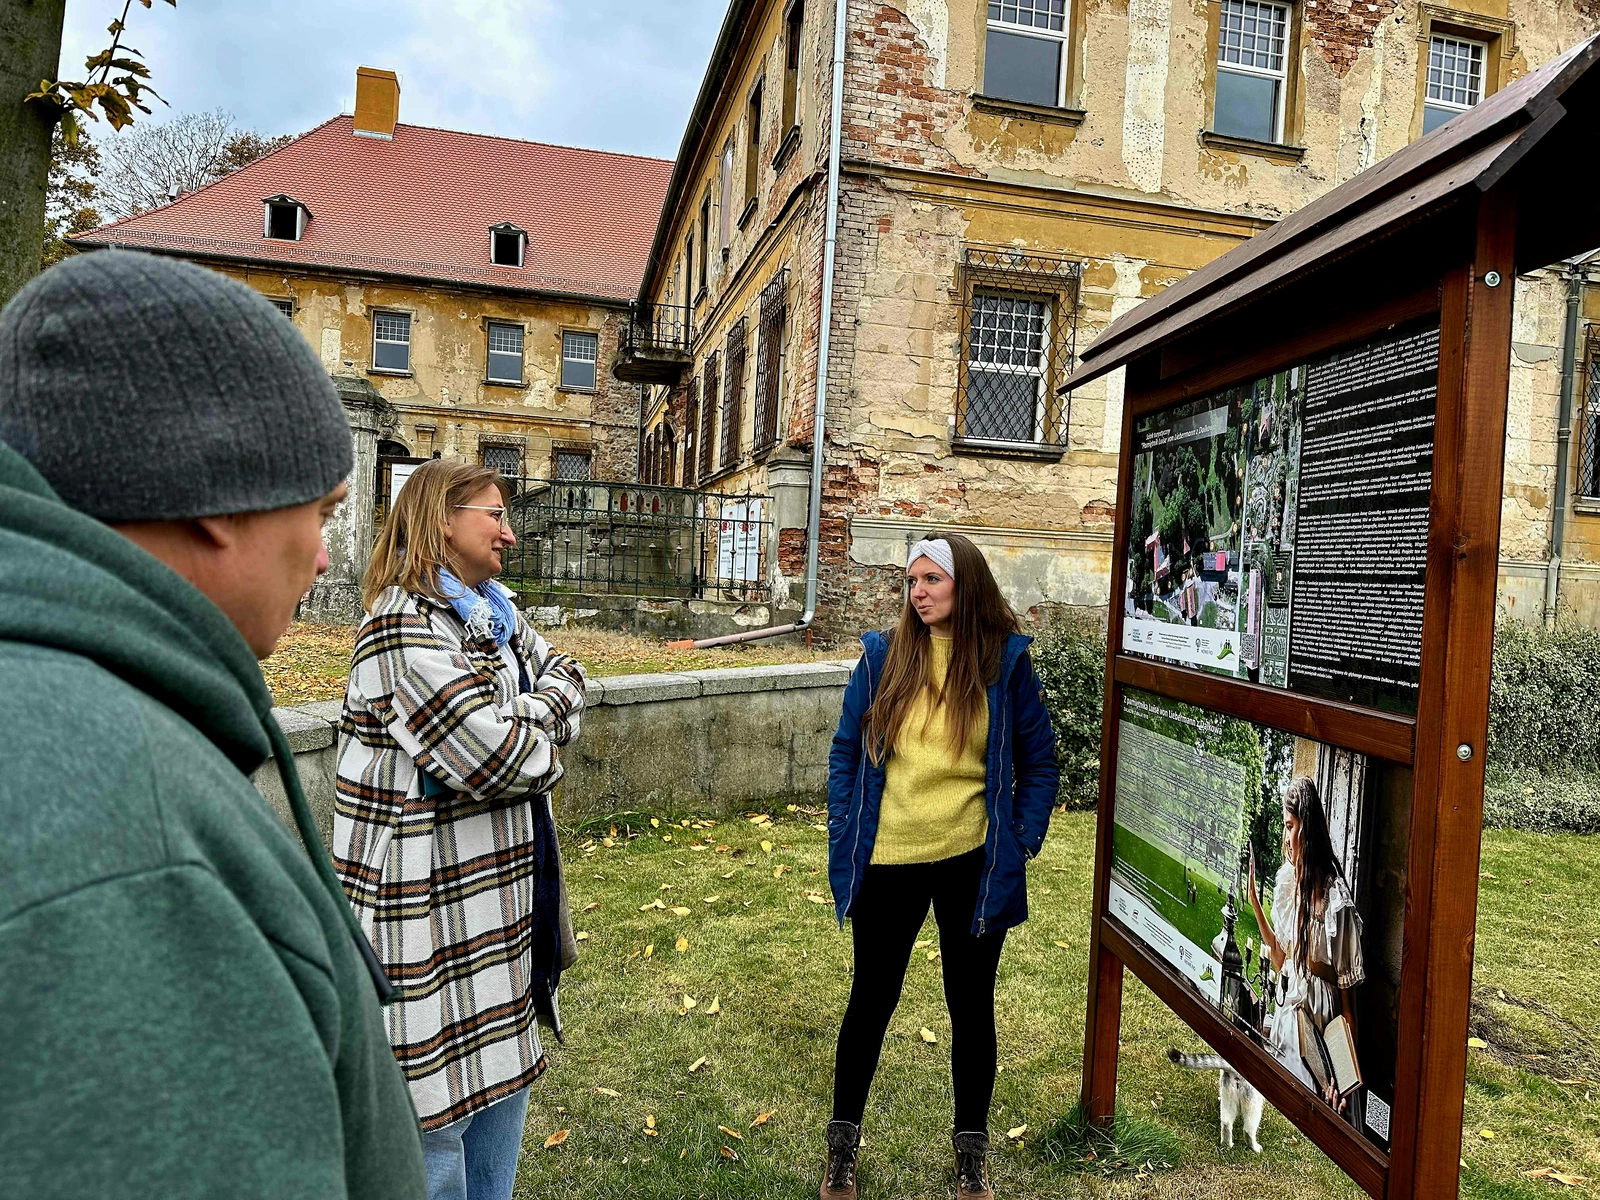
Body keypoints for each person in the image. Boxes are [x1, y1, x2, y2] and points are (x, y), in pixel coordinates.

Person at [0, 250, 426, 1197]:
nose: (324, 556)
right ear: (219, 497)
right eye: (322, 510)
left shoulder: (75, 710)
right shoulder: (118, 832)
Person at [333, 458, 586, 1200]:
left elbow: (568, 674)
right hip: (424, 910)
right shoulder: (396, 623)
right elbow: (497, 758)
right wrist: (528, 728)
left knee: (502, 1095)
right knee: (430, 1124)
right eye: (495, 514)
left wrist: (518, 720)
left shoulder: (495, 612)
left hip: (499, 910)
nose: (510, 532)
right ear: (444, 518)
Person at [822, 533, 1060, 1200]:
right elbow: (846, 752)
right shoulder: (883, 657)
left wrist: (1022, 838)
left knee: (970, 1008)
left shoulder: (1003, 664)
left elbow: (1040, 764)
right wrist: (845, 825)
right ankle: (841, 1148)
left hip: (971, 866)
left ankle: (971, 1156)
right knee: (870, 1001)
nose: (918, 592)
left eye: (931, 579)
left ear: (966, 584)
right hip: (888, 862)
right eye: (912, 581)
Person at [1247, 776, 1365, 1116]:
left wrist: (1343, 1077)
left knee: (1317, 1108)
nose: (1286, 838)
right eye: (1284, 827)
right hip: (1293, 1011)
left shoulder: (1335, 903)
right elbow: (1281, 960)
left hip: (1323, 1016)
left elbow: (1349, 1010)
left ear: (1307, 829)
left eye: (1290, 826)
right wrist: (1255, 903)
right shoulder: (1288, 883)